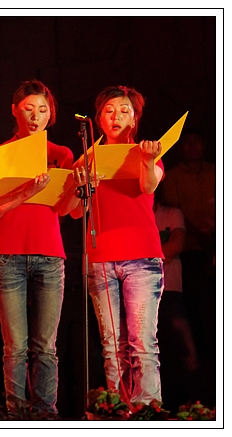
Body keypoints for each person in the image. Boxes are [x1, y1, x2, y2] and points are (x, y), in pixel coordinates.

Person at [0, 80, 76, 415]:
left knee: (46, 346)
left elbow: (67, 210)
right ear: (14, 111)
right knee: (15, 347)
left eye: (43, 110)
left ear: (51, 115)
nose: (35, 116)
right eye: (28, 109)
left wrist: (77, 188)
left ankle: (46, 414)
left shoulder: (61, 154)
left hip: (49, 255)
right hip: (7, 255)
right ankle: (17, 414)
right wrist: (24, 192)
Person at [70, 85, 165, 405]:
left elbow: (148, 186)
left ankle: (147, 409)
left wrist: (148, 160)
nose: (116, 117)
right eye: (109, 111)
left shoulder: (147, 152)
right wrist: (83, 186)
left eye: (124, 111)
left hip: (142, 258)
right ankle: (117, 408)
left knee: (142, 342)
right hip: (101, 257)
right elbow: (75, 212)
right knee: (112, 344)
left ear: (135, 119)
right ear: (99, 119)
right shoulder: (88, 158)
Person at [153, 188, 200, 411]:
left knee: (184, 349)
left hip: (171, 291)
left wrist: (144, 258)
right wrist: (162, 255)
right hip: (144, 293)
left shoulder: (171, 213)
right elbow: (168, 250)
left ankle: (193, 403)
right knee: (153, 350)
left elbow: (177, 245)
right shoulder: (138, 217)